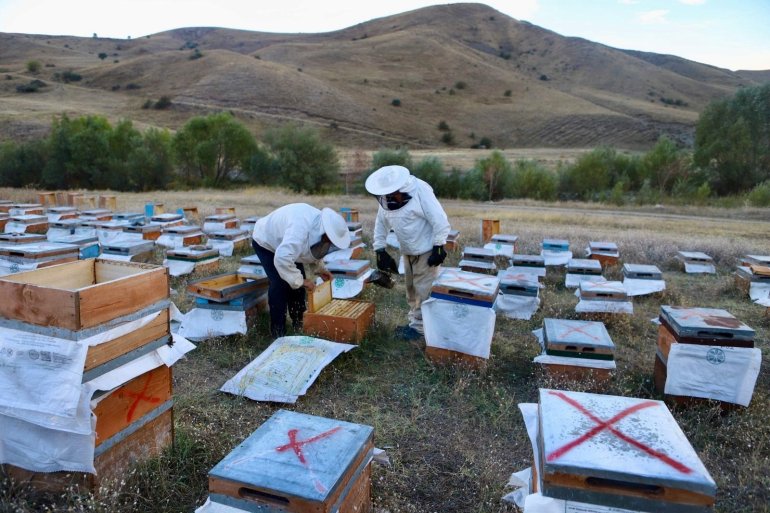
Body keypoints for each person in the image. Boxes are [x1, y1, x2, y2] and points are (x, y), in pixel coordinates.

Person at [365, 165, 451, 340]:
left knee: (424, 291)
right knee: (411, 290)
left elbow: (439, 219)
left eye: (392, 194)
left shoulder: (420, 190)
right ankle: (415, 323)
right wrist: (379, 249)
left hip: (427, 250)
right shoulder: (386, 199)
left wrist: (439, 245)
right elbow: (381, 223)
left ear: (400, 188)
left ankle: (421, 330)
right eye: (386, 195)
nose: (389, 198)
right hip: (408, 251)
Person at [252, 203, 351, 338]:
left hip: (286, 245)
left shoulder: (318, 226)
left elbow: (313, 248)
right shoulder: (299, 229)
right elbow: (282, 258)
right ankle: (278, 331)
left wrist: (320, 270)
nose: (330, 243)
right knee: (280, 284)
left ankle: (299, 322)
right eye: (330, 239)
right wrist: (302, 281)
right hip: (266, 242)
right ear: (326, 231)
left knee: (297, 285)